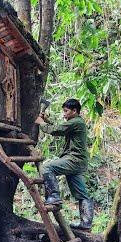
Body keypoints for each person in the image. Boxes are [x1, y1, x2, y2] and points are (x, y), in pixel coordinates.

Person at [34, 98, 94, 230]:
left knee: (47, 167)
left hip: (74, 159)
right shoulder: (76, 123)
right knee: (81, 194)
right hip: (78, 161)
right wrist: (47, 122)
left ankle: (54, 196)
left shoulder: (76, 122)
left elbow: (56, 130)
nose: (64, 114)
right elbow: (61, 129)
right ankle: (86, 223)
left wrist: (42, 123)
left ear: (74, 111)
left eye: (66, 111)